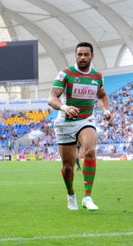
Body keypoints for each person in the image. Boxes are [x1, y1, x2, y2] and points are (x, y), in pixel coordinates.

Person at [48, 41, 113, 211]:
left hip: (86, 120)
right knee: (68, 167)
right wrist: (64, 107)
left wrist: (106, 110)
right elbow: (52, 99)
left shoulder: (97, 77)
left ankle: (88, 197)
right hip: (65, 122)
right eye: (79, 54)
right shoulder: (65, 74)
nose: (82, 57)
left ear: (92, 56)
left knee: (90, 150)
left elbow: (102, 95)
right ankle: (71, 196)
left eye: (86, 54)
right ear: (75, 56)